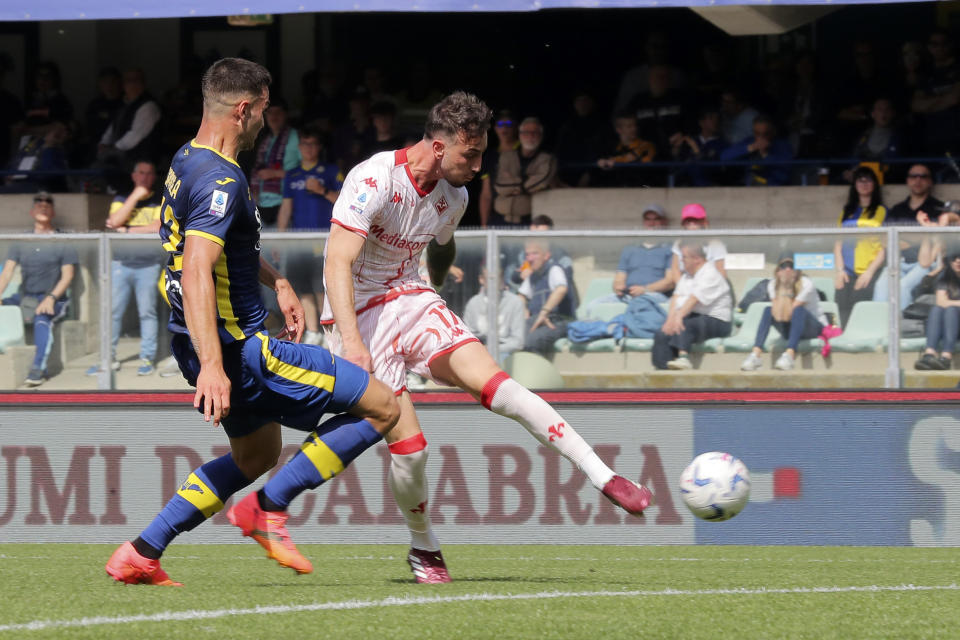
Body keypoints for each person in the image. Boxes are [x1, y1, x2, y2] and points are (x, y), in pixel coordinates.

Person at [235, 91, 652, 585]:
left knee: (501, 389)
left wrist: (437, 280)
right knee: (411, 451)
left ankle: (605, 476)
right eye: (470, 155)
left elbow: (443, 243)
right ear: (437, 147)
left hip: (413, 298)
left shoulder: (454, 195)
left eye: (480, 155)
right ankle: (424, 547)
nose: (477, 165)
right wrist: (351, 342)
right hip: (360, 313)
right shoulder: (373, 180)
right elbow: (337, 262)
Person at [104, 58, 400, 587]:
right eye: (264, 107)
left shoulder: (187, 160)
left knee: (257, 451)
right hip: (238, 349)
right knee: (383, 406)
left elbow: (215, 248)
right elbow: (196, 268)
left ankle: (141, 552)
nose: (268, 116)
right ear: (245, 109)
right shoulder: (221, 178)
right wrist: (216, 366)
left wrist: (278, 281)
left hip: (195, 343)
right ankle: (269, 508)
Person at [87, 160, 163, 375]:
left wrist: (127, 231)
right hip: (120, 263)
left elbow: (158, 228)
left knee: (147, 313)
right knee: (112, 312)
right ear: (133, 176)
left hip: (148, 264)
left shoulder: (159, 199)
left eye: (149, 173)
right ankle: (107, 359)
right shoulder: (122, 197)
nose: (145, 177)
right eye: (141, 173)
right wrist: (136, 196)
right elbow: (113, 221)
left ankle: (147, 358)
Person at [0, 192, 77, 387]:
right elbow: (7, 272)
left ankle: (37, 370)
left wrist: (51, 297)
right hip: (25, 297)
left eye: (47, 205)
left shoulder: (62, 240)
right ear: (32, 212)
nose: (43, 207)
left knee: (42, 319)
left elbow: (68, 275)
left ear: (52, 212)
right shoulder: (22, 240)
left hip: (55, 299)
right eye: (39, 205)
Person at [276, 127, 342, 345]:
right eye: (305, 144)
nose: (309, 148)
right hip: (297, 241)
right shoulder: (292, 174)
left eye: (313, 144)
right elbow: (286, 209)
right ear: (299, 147)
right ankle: (313, 331)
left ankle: (327, 331)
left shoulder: (330, 171)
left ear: (319, 147)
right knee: (301, 287)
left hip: (323, 240)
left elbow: (345, 203)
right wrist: (280, 240)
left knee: (321, 287)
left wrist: (322, 190)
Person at [651, 241, 732, 370]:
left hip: (717, 320)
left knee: (685, 325)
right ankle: (662, 370)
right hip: (692, 316)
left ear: (697, 259)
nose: (681, 261)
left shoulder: (711, 274)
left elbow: (694, 299)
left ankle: (684, 359)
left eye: (684, 257)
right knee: (662, 333)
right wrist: (670, 319)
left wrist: (678, 317)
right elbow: (676, 297)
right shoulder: (686, 276)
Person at [740, 254, 827, 372]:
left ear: (797, 270)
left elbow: (791, 310)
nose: (788, 269)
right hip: (791, 326)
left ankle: (790, 355)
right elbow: (778, 313)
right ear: (777, 270)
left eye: (791, 266)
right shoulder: (772, 285)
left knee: (799, 310)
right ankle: (756, 355)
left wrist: (787, 288)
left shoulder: (806, 284)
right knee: (768, 311)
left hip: (814, 328)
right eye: (784, 266)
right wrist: (783, 287)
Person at [873, 164, 942, 310]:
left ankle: (903, 329)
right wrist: (921, 235)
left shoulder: (938, 208)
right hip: (898, 261)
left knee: (902, 287)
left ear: (930, 182)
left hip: (926, 264)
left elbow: (939, 239)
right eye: (913, 176)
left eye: (923, 176)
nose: (918, 180)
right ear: (907, 181)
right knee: (880, 286)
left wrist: (904, 239)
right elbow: (886, 239)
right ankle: (878, 327)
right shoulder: (898, 209)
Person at [834, 165, 887, 327]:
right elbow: (838, 243)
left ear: (875, 185)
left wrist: (869, 272)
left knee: (859, 300)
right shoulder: (847, 211)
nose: (864, 183)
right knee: (841, 300)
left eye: (868, 180)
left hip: (870, 270)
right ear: (854, 185)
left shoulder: (882, 211)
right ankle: (842, 338)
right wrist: (840, 270)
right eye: (860, 180)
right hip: (847, 269)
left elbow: (885, 247)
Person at [488, 117, 557, 228]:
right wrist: (526, 182)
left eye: (535, 132)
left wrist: (514, 183)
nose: (530, 136)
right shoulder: (506, 156)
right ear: (519, 135)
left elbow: (538, 183)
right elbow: (500, 185)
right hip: (499, 219)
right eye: (526, 132)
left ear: (541, 136)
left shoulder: (547, 159)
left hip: (529, 221)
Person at [518, 237, 577, 356]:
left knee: (532, 341)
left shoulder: (554, 269)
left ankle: (535, 372)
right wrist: (525, 313)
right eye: (527, 255)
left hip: (558, 320)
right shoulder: (533, 276)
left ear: (546, 256)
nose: (530, 258)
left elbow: (561, 289)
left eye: (535, 253)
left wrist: (544, 312)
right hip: (536, 320)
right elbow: (521, 295)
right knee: (515, 339)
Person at [97, 69, 162, 171]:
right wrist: (104, 143)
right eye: (128, 81)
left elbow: (135, 135)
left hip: (140, 162)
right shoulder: (123, 104)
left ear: (143, 83)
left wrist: (113, 148)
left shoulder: (148, 106)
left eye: (136, 80)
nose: (132, 84)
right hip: (120, 158)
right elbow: (112, 128)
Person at [250, 97, 300, 227]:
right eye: (270, 112)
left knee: (283, 247)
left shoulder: (296, 137)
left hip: (286, 203)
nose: (274, 116)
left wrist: (276, 173)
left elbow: (306, 171)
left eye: (278, 112)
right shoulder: (265, 140)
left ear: (285, 115)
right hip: (261, 204)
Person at [463, 265, 525, 365]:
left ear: (503, 280)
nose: (494, 283)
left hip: (503, 352)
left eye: (498, 278)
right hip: (478, 349)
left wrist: (490, 348)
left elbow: (518, 342)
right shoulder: (473, 303)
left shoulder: (515, 302)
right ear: (481, 279)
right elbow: (466, 337)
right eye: (490, 279)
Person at [915, 249, 960, 371]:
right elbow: (941, 302)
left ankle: (946, 356)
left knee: (950, 309)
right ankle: (930, 353)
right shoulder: (945, 278)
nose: (958, 260)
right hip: (950, 323)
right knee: (936, 309)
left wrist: (951, 304)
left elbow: (946, 303)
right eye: (955, 257)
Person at [719, 115, 793, 187]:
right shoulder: (750, 142)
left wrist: (765, 155)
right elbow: (724, 157)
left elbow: (785, 174)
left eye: (765, 134)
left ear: (773, 132)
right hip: (749, 188)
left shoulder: (783, 146)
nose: (761, 138)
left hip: (773, 188)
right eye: (757, 133)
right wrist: (751, 147)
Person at [669, 203, 727, 281]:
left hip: (709, 287)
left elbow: (721, 274)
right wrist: (683, 290)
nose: (692, 225)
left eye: (696, 221)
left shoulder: (715, 244)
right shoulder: (679, 243)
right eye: (688, 221)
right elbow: (675, 271)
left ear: (704, 222)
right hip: (686, 288)